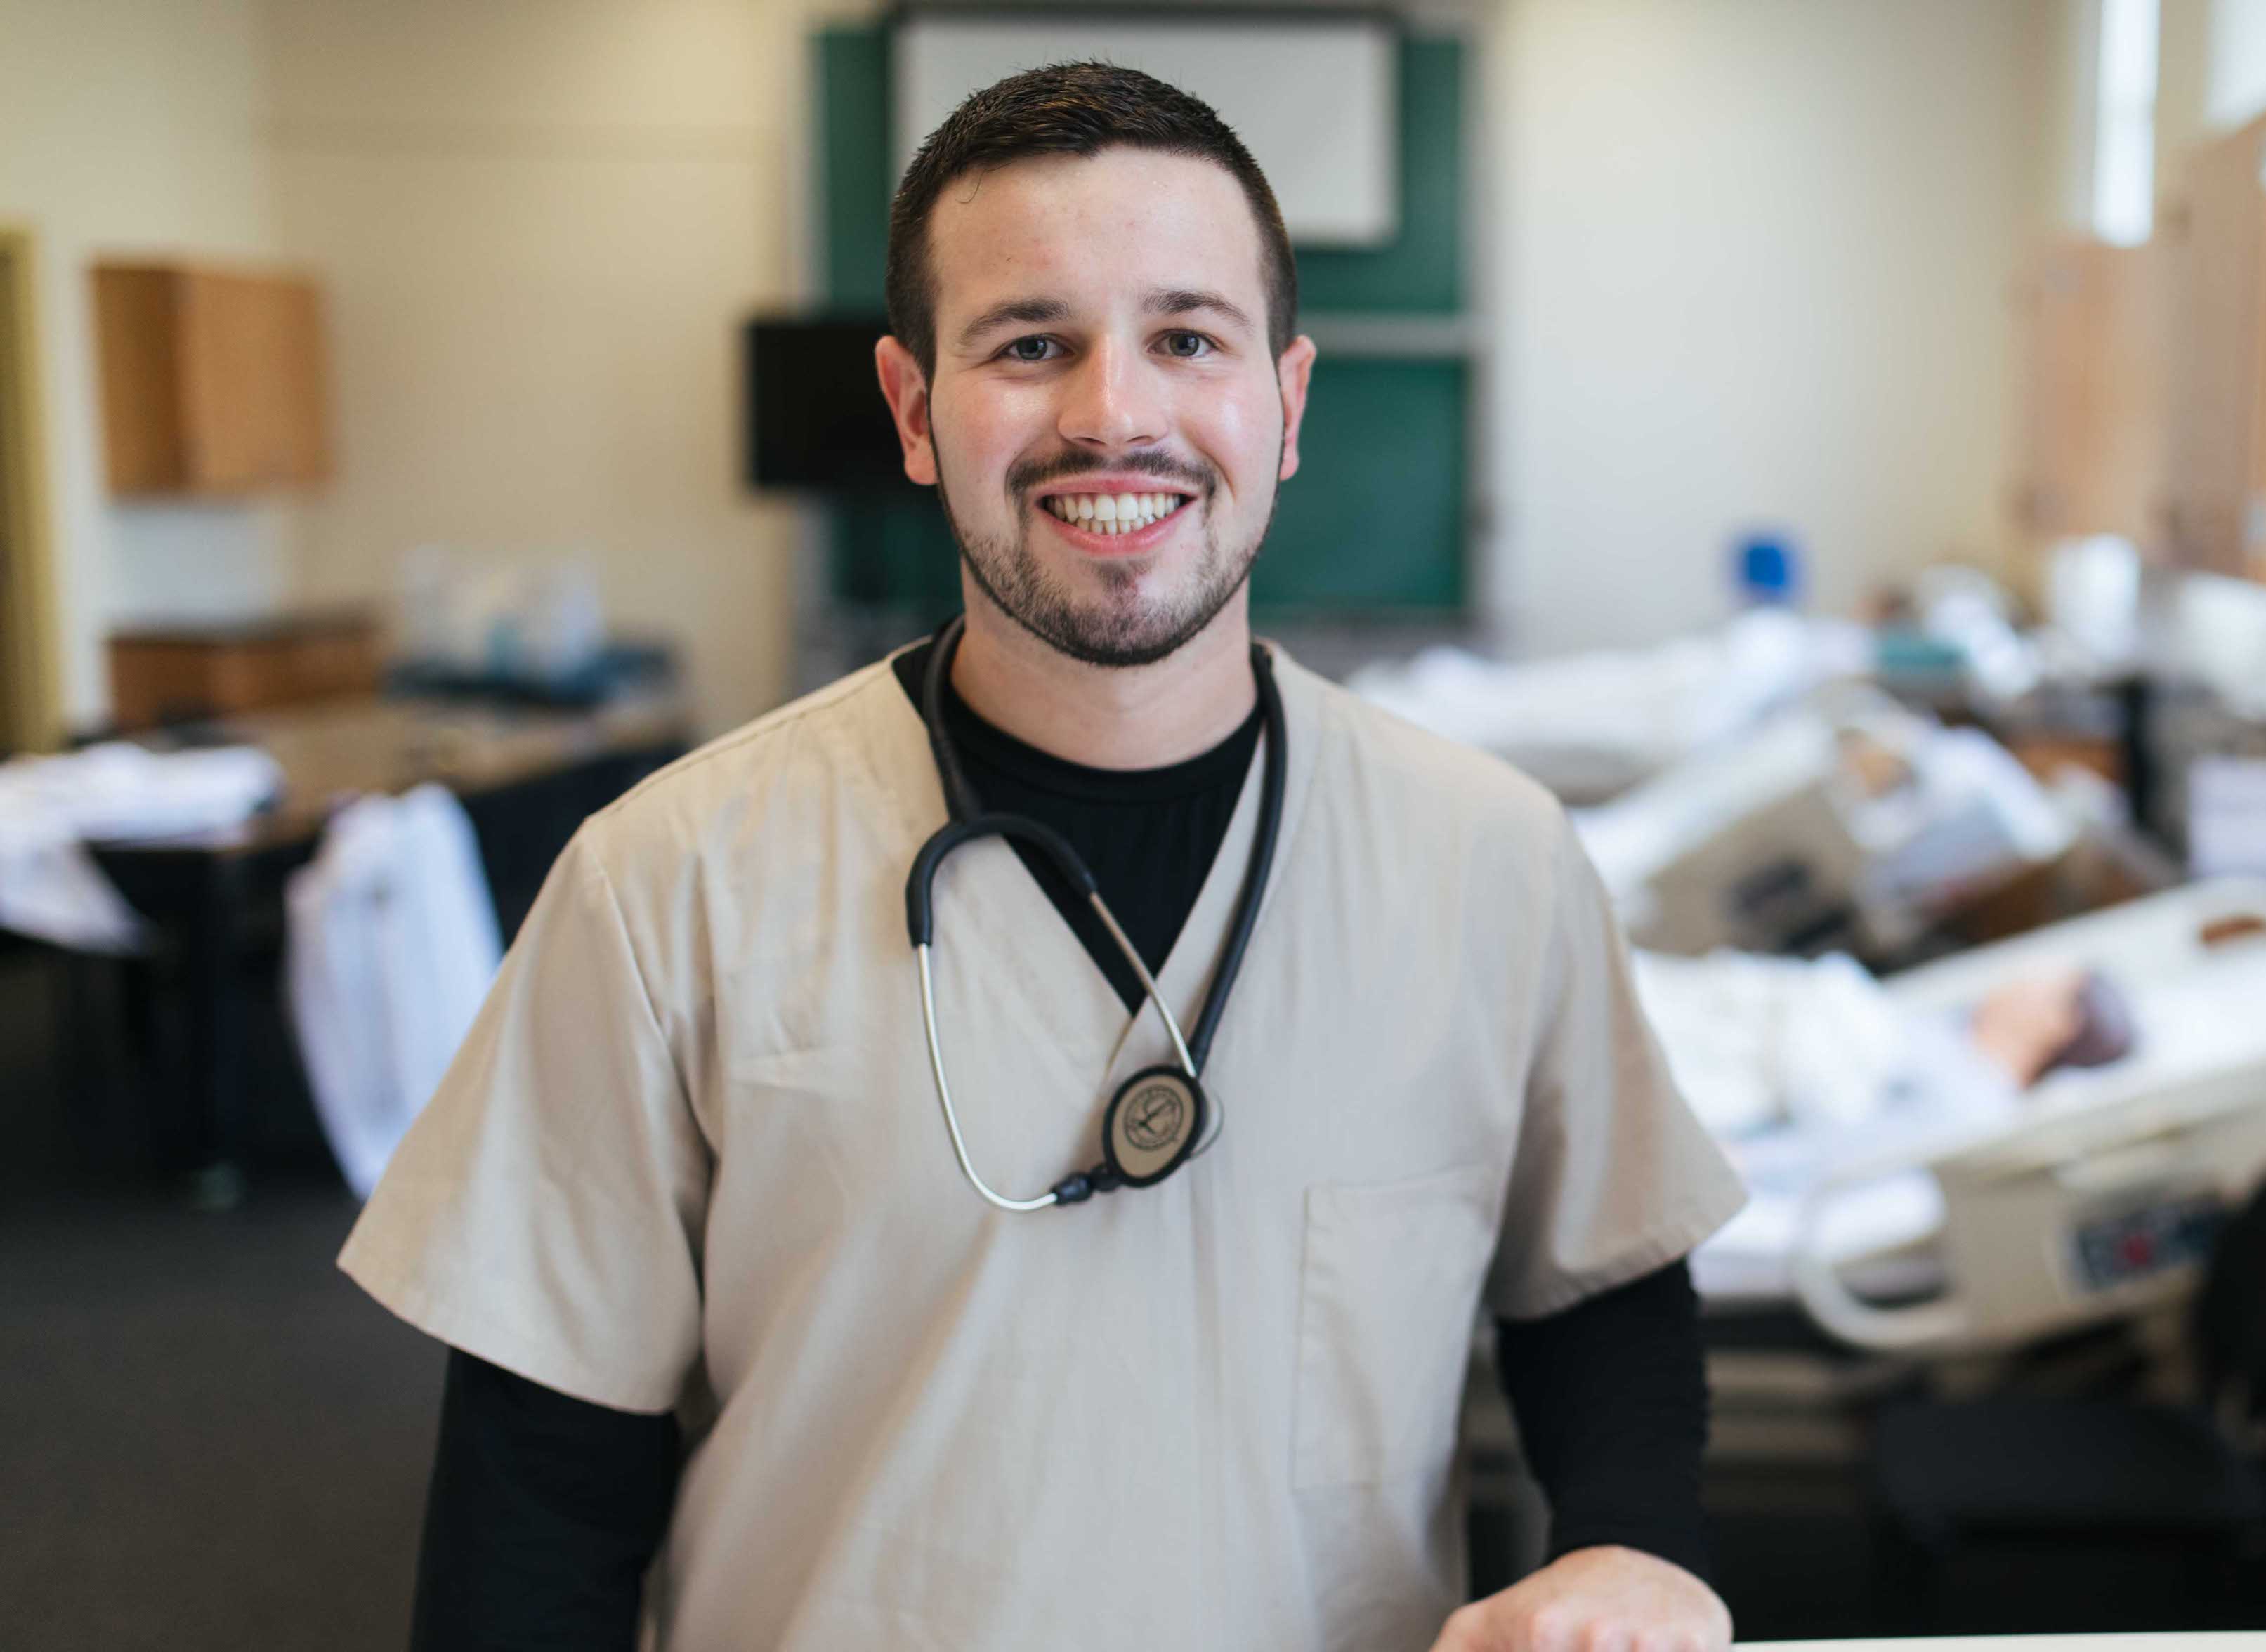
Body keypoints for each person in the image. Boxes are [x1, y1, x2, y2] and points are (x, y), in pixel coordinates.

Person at [341, 61, 1746, 1651]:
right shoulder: (665, 882)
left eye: (1186, 338)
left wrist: (1638, 1545)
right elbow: (539, 1499)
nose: (1113, 413)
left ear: (1284, 407)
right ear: (913, 409)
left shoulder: (1489, 860)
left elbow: (1601, 1289)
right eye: (1030, 344)